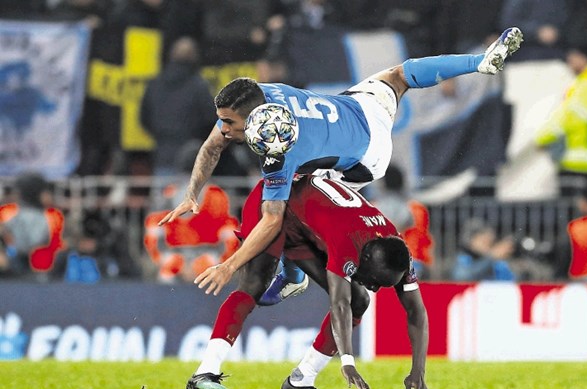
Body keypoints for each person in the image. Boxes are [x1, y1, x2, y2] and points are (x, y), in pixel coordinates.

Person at [158, 27, 524, 303]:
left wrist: (228, 266)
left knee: (285, 205)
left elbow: (270, 220)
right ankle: (478, 62)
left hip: (363, 160)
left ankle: (292, 275)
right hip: (359, 109)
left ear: (255, 120)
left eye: (229, 123)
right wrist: (193, 194)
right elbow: (211, 146)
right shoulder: (257, 98)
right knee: (399, 75)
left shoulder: (279, 143)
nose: (223, 129)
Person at [186, 175, 433, 389]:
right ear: (363, 259)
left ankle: (301, 380)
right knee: (253, 286)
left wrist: (418, 369)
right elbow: (339, 304)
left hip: (307, 226)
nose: (375, 287)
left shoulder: (399, 253)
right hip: (275, 202)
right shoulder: (346, 240)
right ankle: (205, 370)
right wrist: (347, 361)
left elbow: (417, 312)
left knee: (361, 300)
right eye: (375, 281)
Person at [520, 40, 587, 192]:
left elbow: (569, 119)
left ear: (584, 57)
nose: (569, 60)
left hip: (583, 162)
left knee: (575, 213)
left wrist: (542, 138)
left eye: (572, 56)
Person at [139, 36, 216, 176]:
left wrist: (160, 135)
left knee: (162, 196)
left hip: (161, 153)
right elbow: (210, 119)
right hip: (191, 156)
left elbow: (144, 118)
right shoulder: (199, 85)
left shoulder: (154, 83)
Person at [0, 172, 64, 280]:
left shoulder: (52, 214)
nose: (48, 195)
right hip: (11, 266)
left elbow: (56, 246)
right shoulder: (8, 211)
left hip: (42, 270)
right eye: (45, 191)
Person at [450, 218, 516, 281]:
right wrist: (491, 257)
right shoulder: (464, 258)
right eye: (484, 241)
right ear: (471, 241)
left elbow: (512, 280)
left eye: (491, 242)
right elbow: (462, 277)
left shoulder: (497, 263)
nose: (489, 246)